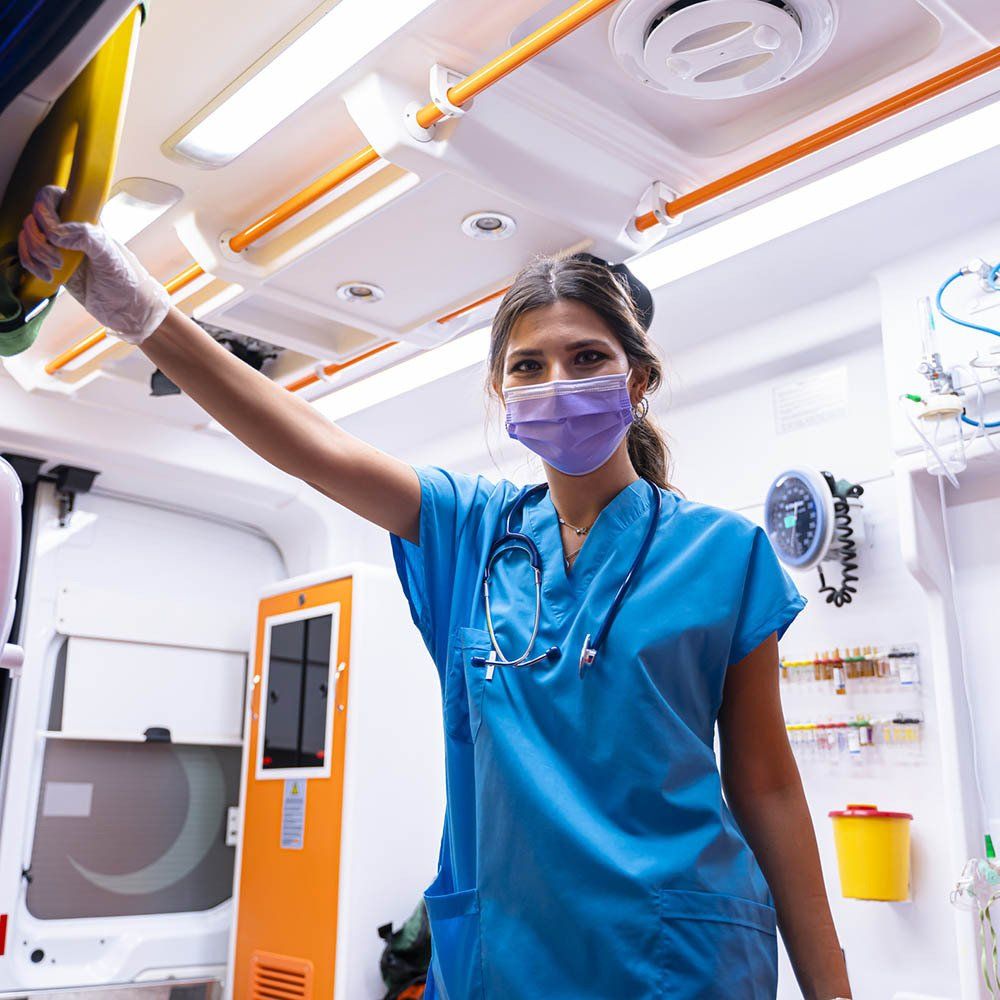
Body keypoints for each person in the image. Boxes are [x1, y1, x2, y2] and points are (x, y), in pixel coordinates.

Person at [19, 186, 852, 999]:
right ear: (503, 394)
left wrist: (834, 990)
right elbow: (314, 449)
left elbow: (767, 787)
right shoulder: (472, 531)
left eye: (588, 357)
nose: (557, 381)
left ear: (637, 382)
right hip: (502, 957)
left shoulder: (724, 554)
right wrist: (148, 317)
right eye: (528, 365)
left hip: (675, 958)